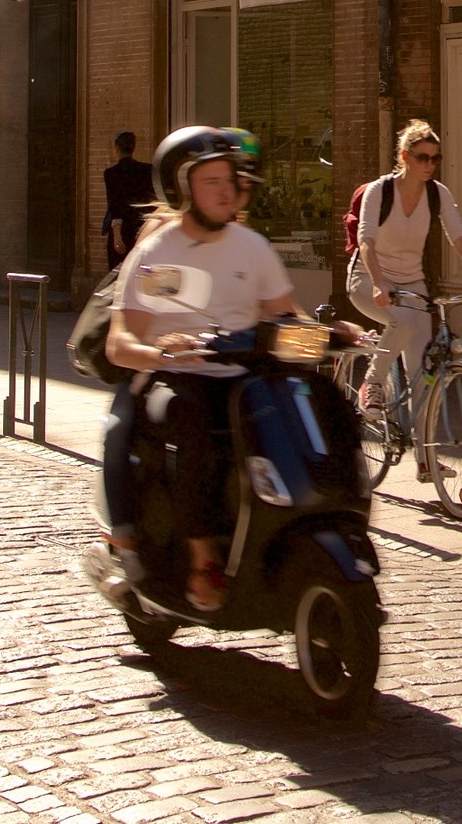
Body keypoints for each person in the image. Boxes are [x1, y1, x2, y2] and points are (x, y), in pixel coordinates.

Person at [102, 126, 296, 612]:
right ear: (183, 188)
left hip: (245, 377)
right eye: (211, 181)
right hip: (180, 379)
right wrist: (161, 353)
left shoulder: (252, 248)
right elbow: (122, 340)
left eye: (229, 179)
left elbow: (286, 315)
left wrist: (334, 335)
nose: (226, 190)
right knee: (187, 417)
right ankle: (202, 558)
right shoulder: (159, 253)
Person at [343, 120, 462, 407]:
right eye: (422, 157)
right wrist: (378, 283)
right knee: (403, 321)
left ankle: (424, 449)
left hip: (413, 285)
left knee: (422, 376)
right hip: (366, 278)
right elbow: (366, 241)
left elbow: (459, 236)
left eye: (435, 158)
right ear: (404, 157)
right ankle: (372, 383)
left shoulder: (438, 194)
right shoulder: (379, 191)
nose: (429, 164)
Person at [102, 131, 156, 269]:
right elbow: (152, 201)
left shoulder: (112, 173)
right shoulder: (148, 170)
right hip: (142, 228)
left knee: (117, 273)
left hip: (123, 229)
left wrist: (116, 234)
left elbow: (115, 204)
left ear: (116, 148)